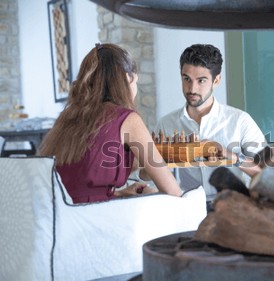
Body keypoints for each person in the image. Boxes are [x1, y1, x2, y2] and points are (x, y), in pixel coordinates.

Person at [39, 43, 182, 203]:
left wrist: (119, 194)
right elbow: (172, 191)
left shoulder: (68, 117)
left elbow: (77, 187)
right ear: (129, 78)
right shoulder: (127, 119)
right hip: (99, 219)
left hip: (65, 216)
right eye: (136, 81)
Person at [148, 44, 266, 199]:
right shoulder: (165, 124)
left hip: (232, 210)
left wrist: (235, 158)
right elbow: (149, 179)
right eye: (186, 79)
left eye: (201, 81)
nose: (192, 89)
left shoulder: (240, 121)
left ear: (216, 80)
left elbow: (268, 176)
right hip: (185, 212)